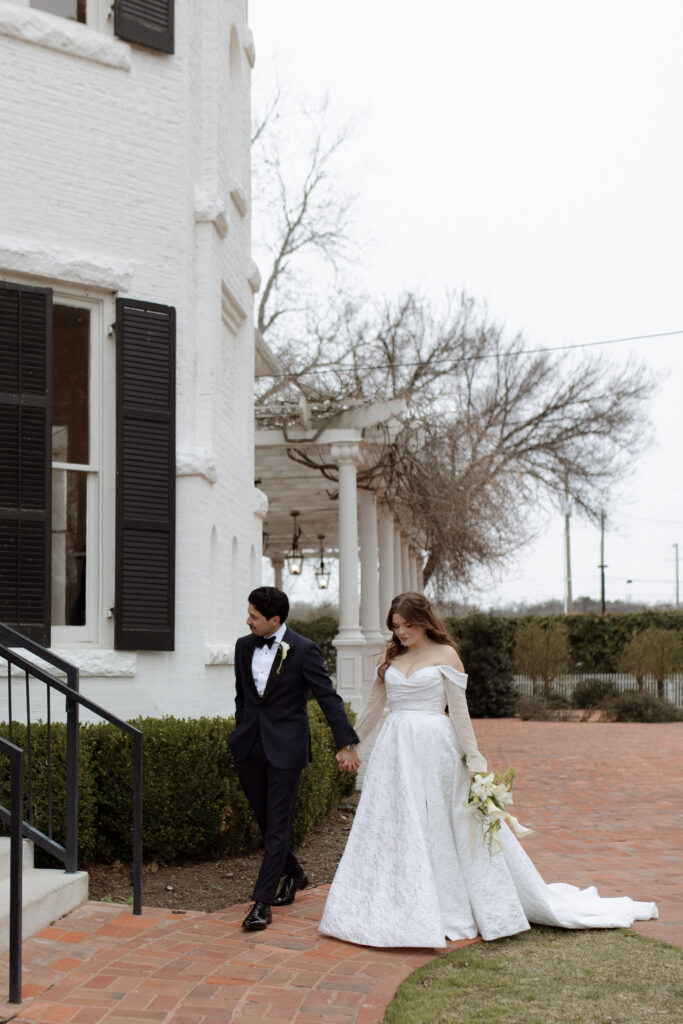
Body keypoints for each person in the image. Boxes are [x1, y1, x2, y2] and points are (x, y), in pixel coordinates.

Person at [319, 592, 658, 948]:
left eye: (408, 625)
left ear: (424, 621)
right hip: (394, 750)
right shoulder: (391, 657)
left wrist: (475, 760)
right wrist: (350, 744)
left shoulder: (446, 655)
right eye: (396, 627)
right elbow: (374, 707)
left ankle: (443, 901)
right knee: (397, 821)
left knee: (439, 823)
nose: (401, 633)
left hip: (436, 749)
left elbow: (459, 713)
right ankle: (396, 899)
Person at [230, 586, 360, 931]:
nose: (248, 621)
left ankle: (261, 902)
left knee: (278, 824)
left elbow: (328, 697)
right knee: (265, 821)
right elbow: (242, 697)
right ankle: (295, 874)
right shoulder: (243, 646)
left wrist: (346, 743)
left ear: (275, 620)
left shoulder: (303, 650)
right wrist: (240, 731)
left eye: (254, 616)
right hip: (249, 747)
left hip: (286, 749)